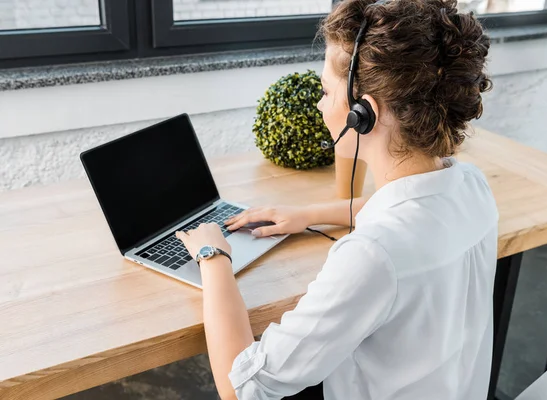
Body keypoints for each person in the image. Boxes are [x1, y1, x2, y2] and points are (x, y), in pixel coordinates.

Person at [175, 0, 497, 399]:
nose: (320, 104)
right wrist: (307, 214)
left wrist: (213, 256)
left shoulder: (372, 255)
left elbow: (240, 387)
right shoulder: (470, 184)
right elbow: (409, 213)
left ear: (363, 115)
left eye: (327, 92)